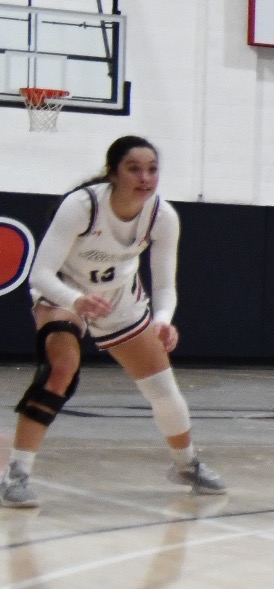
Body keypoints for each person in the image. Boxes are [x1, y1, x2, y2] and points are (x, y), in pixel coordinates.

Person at [4, 137, 226, 510]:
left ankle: (187, 465)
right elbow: (41, 274)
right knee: (61, 370)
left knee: (162, 387)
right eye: (134, 169)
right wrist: (76, 300)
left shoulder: (162, 216)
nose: (145, 178)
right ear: (113, 173)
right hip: (66, 291)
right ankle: (16, 475)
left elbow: (166, 285)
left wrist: (162, 321)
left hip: (120, 299)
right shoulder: (82, 206)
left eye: (152, 169)